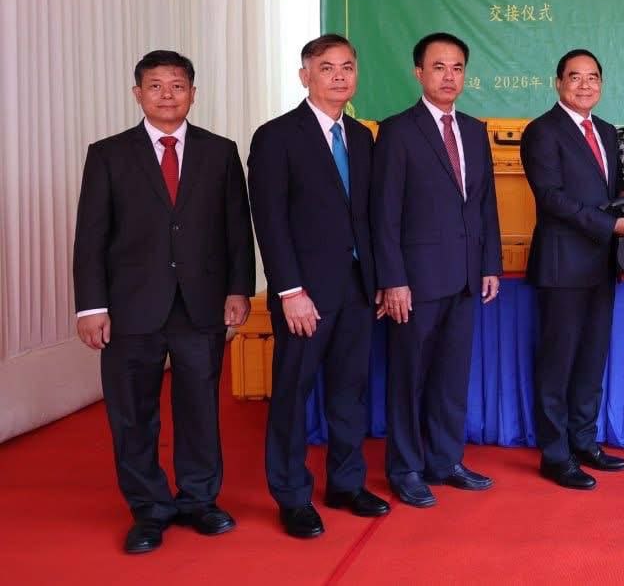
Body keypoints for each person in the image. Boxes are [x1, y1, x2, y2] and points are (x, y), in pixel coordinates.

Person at [72, 50, 254, 554]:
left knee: (200, 408)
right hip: (130, 307)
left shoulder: (220, 152)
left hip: (201, 305)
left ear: (193, 93)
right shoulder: (108, 154)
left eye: (177, 85)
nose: (167, 95)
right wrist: (91, 307)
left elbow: (238, 229)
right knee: (133, 414)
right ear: (138, 94)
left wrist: (239, 289)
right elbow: (91, 237)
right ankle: (149, 509)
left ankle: (199, 500)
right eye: (155, 86)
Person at [248, 34, 388, 539]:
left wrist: (377, 280)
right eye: (327, 67)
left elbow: (368, 217)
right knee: (293, 394)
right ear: (304, 75)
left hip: (357, 289)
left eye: (347, 67)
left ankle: (346, 484)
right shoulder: (276, 136)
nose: (339, 76)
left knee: (350, 393)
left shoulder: (363, 137)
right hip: (304, 295)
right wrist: (289, 291)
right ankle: (291, 495)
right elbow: (270, 220)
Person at [373, 32, 501, 508]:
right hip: (416, 281)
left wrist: (489, 264)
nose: (449, 76)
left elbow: (484, 204)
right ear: (419, 73)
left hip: (466, 277)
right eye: (439, 67)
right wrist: (393, 279)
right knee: (408, 378)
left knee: (451, 377)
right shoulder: (398, 131)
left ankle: (445, 461)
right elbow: (384, 212)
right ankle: (405, 467)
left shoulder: (473, 129)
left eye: (457, 68)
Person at [521, 49, 624, 489]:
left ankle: (583, 441)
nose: (585, 85)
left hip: (601, 263)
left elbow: (607, 192)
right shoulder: (542, 131)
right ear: (558, 82)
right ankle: (555, 454)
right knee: (557, 363)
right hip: (562, 265)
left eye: (593, 77)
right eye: (575, 77)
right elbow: (551, 198)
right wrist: (609, 225)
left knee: (591, 360)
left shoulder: (605, 130)